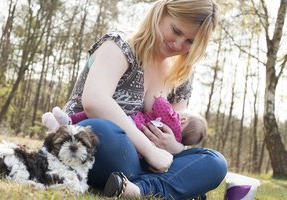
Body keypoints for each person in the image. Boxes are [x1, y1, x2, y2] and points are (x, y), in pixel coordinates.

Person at [53, 0, 227, 198]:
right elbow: (95, 101)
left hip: (145, 163)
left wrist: (175, 147)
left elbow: (178, 129)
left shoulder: (181, 74)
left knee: (214, 161)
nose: (178, 44)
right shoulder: (119, 45)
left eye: (190, 42)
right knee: (101, 130)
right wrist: (151, 151)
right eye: (176, 31)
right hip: (101, 146)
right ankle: (172, 187)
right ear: (161, 13)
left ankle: (137, 189)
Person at [42, 96, 207, 148]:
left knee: (98, 116)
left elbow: (161, 106)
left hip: (132, 124)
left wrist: (160, 96)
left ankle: (69, 120)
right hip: (134, 146)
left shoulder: (174, 121)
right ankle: (64, 125)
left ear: (183, 119)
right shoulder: (174, 141)